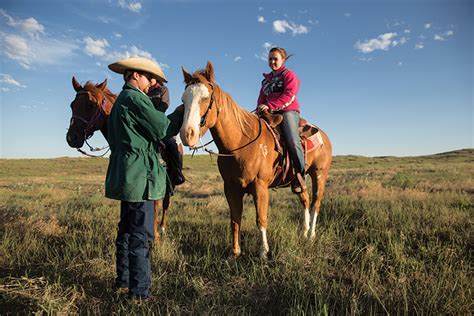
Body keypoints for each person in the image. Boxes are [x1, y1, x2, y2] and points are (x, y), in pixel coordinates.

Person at [105, 57, 183, 300]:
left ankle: (124, 280)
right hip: (140, 177)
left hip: (127, 175)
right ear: (136, 75)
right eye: (150, 79)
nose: (152, 84)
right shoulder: (135, 98)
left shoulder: (120, 101)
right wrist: (181, 111)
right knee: (140, 234)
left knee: (126, 230)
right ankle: (139, 293)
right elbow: (162, 128)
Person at [256, 47, 307, 194]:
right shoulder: (265, 81)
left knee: (292, 139)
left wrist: (270, 105)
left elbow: (290, 95)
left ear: (282, 60)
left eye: (275, 59)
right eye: (270, 59)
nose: (272, 61)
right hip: (269, 112)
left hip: (288, 110)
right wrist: (260, 109)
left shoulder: (288, 75)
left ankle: (300, 176)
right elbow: (261, 99)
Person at [147, 78, 185, 186]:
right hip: (144, 122)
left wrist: (150, 114)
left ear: (157, 79)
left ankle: (177, 172)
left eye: (152, 77)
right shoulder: (143, 91)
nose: (149, 79)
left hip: (158, 121)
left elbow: (164, 105)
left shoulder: (163, 90)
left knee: (171, 143)